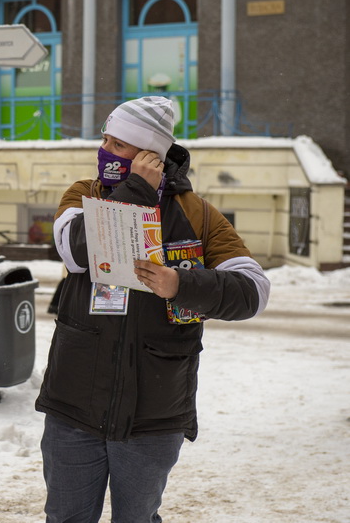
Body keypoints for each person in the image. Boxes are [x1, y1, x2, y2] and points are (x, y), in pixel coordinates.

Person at [35, 96, 271, 523]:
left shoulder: (196, 214)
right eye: (104, 138)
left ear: (151, 154)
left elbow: (253, 290)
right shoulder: (84, 194)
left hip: (154, 414)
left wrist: (182, 284)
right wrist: (137, 193)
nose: (105, 149)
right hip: (75, 405)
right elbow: (75, 253)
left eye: (118, 143)